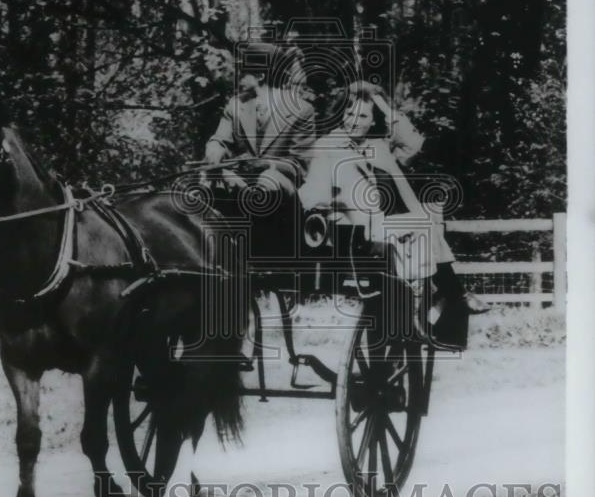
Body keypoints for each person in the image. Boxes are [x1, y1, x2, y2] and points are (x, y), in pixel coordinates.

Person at [300, 80, 488, 321]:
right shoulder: (327, 145)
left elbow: (412, 144)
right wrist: (324, 205)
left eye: (363, 115)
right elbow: (314, 191)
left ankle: (435, 300)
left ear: (374, 120)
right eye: (348, 112)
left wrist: (382, 104)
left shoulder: (379, 145)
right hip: (349, 230)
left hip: (382, 228)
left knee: (423, 224)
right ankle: (451, 294)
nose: (353, 120)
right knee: (423, 226)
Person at [203, 41, 317, 262]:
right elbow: (219, 140)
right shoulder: (235, 106)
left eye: (243, 74)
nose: (238, 79)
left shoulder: (301, 110)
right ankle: (210, 254)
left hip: (280, 184)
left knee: (266, 181)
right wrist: (214, 151)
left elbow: (299, 167)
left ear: (261, 76)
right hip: (239, 177)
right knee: (203, 183)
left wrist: (262, 164)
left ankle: (263, 255)